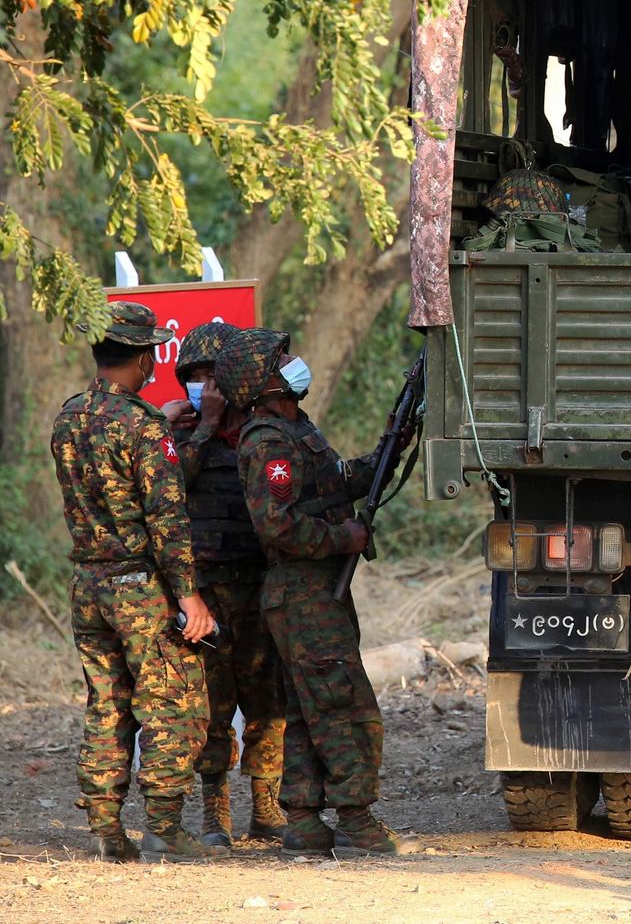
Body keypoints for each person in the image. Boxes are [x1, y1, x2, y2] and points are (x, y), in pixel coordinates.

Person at [213, 328, 418, 858]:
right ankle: (356, 817)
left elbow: (336, 481)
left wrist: (391, 447)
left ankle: (302, 819)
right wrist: (340, 536)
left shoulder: (296, 428)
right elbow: (275, 526)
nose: (292, 362)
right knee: (345, 705)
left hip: (317, 591)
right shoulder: (268, 441)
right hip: (301, 592)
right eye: (280, 358)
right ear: (262, 381)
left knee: (307, 709)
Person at [49, 301, 224, 862]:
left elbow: (104, 481)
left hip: (88, 585)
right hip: (140, 589)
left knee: (107, 702)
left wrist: (163, 432)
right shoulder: (143, 426)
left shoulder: (70, 417)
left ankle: (105, 830)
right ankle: (166, 830)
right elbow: (166, 518)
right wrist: (189, 596)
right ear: (144, 357)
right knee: (174, 702)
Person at [162, 322, 287, 846]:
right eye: (194, 376)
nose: (204, 386)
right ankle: (215, 813)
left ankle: (268, 807)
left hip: (260, 586)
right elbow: (167, 492)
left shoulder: (266, 430)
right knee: (210, 707)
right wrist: (201, 427)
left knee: (268, 702)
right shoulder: (177, 435)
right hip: (205, 593)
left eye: (214, 375)